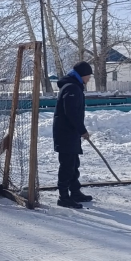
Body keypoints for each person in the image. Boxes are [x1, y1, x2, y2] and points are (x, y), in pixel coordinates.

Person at [53, 61, 94, 209]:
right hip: (66, 134)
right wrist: (82, 130)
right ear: (81, 75)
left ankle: (75, 192)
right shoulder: (72, 88)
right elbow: (72, 113)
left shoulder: (74, 86)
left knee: (73, 164)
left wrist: (79, 131)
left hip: (70, 133)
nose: (89, 78)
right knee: (67, 166)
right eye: (88, 75)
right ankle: (63, 197)